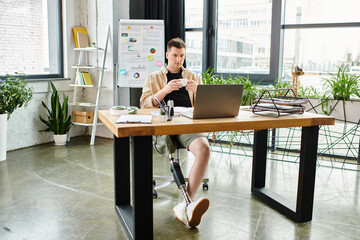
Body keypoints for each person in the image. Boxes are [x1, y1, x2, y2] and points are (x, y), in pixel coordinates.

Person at [140, 37, 210, 228]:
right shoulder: (154, 77)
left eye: (181, 56)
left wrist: (199, 90)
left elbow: (207, 104)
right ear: (167, 55)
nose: (178, 60)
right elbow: (144, 104)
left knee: (204, 149)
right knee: (171, 149)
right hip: (166, 125)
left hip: (188, 124)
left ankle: (186, 204)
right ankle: (188, 206)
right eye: (174, 55)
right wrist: (164, 90)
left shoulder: (193, 76)